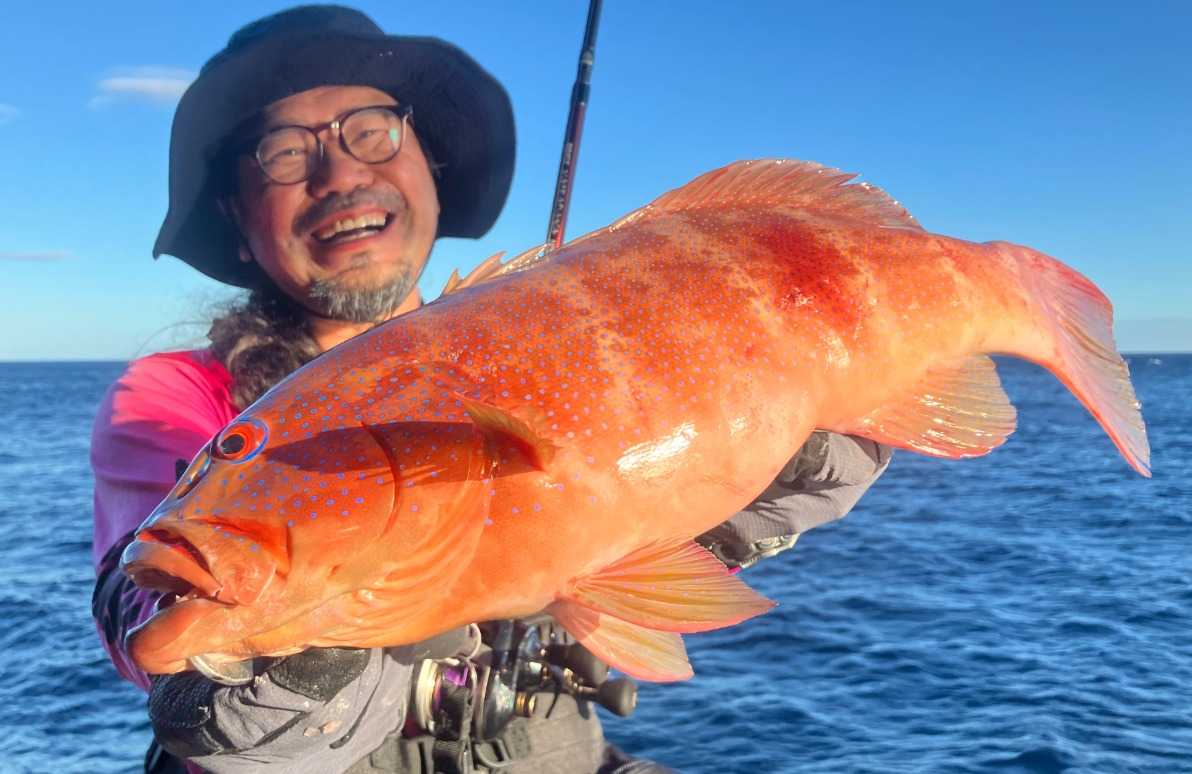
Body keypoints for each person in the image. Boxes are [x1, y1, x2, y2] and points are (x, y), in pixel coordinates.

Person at [90, 6, 892, 773]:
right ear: (235, 214)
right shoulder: (175, 396)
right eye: (284, 152)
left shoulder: (556, 336)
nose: (341, 173)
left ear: (430, 169)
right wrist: (271, 668)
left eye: (372, 130)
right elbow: (147, 623)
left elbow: (631, 540)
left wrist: (713, 532)